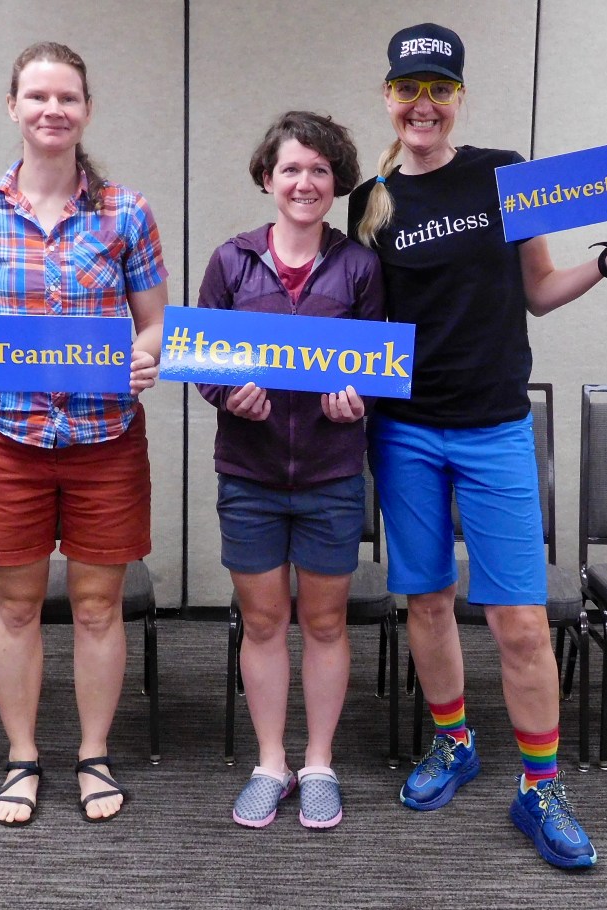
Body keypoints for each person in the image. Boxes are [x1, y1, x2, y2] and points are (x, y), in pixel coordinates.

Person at [348, 23, 607, 868]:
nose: (422, 104)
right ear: (388, 96)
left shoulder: (506, 175)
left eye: (438, 89)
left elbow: (540, 292)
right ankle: (454, 741)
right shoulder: (369, 199)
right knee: (426, 600)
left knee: (519, 618)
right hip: (404, 432)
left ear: (459, 98)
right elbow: (362, 324)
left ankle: (540, 787)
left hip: (493, 428)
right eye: (408, 88)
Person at [0, 42, 168, 825]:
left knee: (99, 606)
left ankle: (93, 755)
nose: (52, 110)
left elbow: (154, 324)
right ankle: (23, 757)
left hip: (106, 441)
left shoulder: (126, 212)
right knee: (14, 608)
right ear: (14, 107)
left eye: (67, 97)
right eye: (37, 96)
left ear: (87, 110)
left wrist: (146, 355)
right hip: (9, 441)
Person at [196, 111, 384, 829]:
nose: (305, 182)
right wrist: (228, 395)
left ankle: (319, 763)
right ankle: (270, 763)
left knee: (326, 622)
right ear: (267, 178)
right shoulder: (231, 261)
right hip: (249, 477)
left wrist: (357, 400)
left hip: (332, 476)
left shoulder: (360, 267)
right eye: (291, 169)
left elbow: (376, 366)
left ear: (337, 182)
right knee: (264, 620)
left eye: (320, 170)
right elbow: (205, 364)